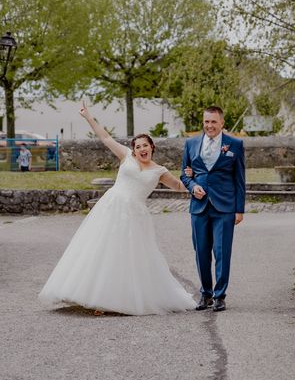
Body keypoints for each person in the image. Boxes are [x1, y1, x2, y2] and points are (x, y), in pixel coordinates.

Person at [38, 103, 195, 315]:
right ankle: (94, 295)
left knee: (127, 256)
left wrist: (192, 178)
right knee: (101, 250)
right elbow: (106, 139)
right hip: (111, 207)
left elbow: (178, 186)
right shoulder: (126, 156)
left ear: (152, 147)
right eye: (138, 146)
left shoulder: (159, 171)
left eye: (145, 145)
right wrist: (88, 117)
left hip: (135, 214)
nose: (141, 149)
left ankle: (113, 299)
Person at [181, 106, 245, 312]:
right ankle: (206, 294)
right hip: (199, 207)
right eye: (206, 122)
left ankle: (220, 295)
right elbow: (185, 174)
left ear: (222, 123)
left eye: (213, 122)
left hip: (225, 206)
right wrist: (192, 187)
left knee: (222, 252)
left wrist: (239, 209)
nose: (209, 126)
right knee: (201, 252)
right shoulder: (191, 144)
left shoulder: (235, 144)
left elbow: (240, 179)